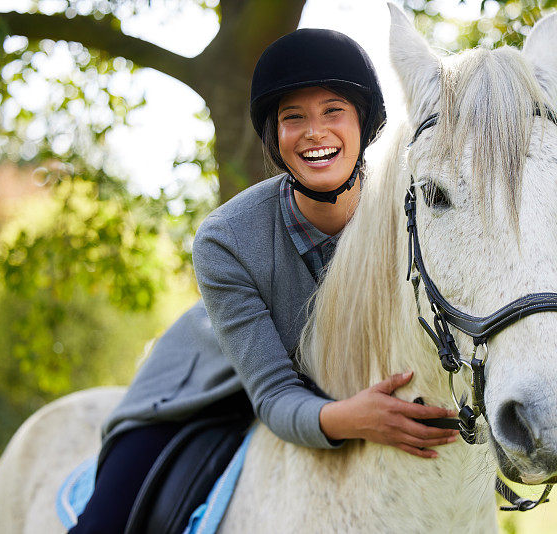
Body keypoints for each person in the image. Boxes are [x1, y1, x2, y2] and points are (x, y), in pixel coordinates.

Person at [69, 28, 457, 534]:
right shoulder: (225, 239)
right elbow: (272, 395)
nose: (315, 132)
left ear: (365, 123)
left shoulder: (414, 211)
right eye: (293, 117)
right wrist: (353, 419)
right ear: (274, 136)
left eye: (333, 111)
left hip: (338, 377)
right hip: (209, 389)